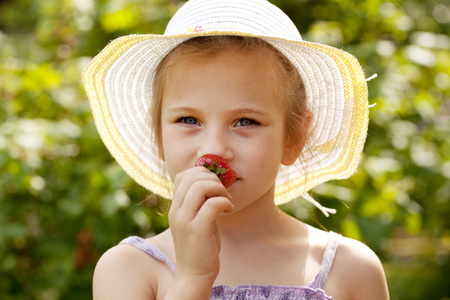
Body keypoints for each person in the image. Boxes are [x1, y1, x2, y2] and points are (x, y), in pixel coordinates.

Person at [82, 0, 390, 299]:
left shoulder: (351, 270)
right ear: (159, 135)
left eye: (245, 121)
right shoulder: (130, 270)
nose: (214, 149)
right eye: (188, 119)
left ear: (294, 136)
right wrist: (192, 278)